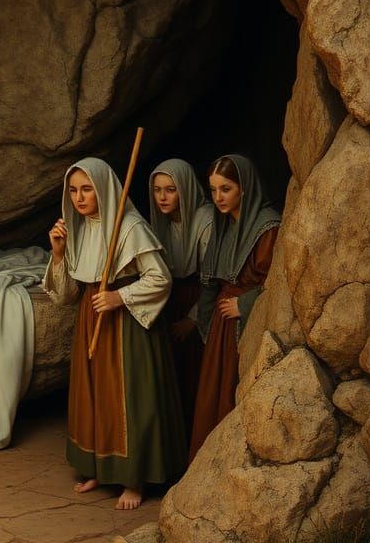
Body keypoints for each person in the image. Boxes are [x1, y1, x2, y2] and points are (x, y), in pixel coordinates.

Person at [44, 157, 186, 510]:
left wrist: (118, 297)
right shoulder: (77, 229)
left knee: (128, 401)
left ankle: (133, 479)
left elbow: (160, 279)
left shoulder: (130, 228)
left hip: (126, 328)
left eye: (87, 189)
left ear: (104, 189)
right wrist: (59, 254)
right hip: (91, 320)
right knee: (94, 397)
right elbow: (67, 296)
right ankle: (98, 469)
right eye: (73, 191)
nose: (79, 198)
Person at [188, 154, 280, 461]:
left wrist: (244, 304)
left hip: (247, 324)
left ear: (244, 187)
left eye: (225, 189)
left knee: (233, 393)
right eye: (213, 190)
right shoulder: (224, 225)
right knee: (213, 396)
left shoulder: (267, 226)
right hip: (222, 325)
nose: (218, 197)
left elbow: (276, 282)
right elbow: (211, 280)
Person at [148, 160, 213, 430]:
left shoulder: (205, 220)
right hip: (169, 300)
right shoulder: (161, 223)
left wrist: (193, 319)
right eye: (157, 190)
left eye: (170, 189)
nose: (162, 197)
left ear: (185, 188)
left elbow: (213, 279)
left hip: (199, 301)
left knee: (194, 373)